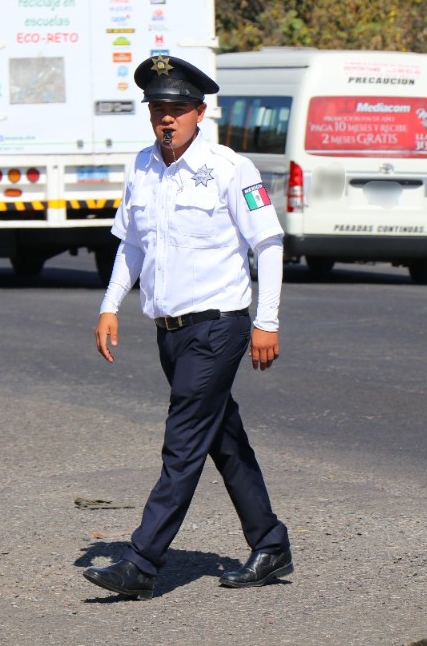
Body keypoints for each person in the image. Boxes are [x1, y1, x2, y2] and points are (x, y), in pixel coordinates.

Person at [85, 54, 293, 600]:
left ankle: (142, 560)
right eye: (158, 108)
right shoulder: (142, 166)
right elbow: (132, 245)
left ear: (201, 112)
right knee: (222, 439)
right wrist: (111, 306)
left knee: (182, 444)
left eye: (177, 109)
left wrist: (265, 321)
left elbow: (268, 244)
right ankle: (270, 543)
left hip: (219, 326)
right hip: (170, 331)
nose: (167, 119)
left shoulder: (229, 168)